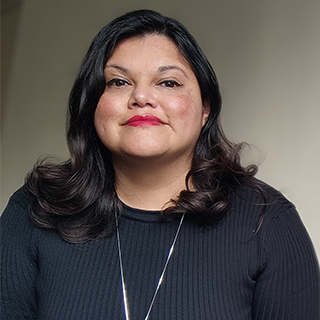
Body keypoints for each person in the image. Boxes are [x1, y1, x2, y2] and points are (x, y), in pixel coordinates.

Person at [1, 9, 319, 320]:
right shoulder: (33, 211)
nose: (141, 97)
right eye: (118, 82)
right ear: (93, 103)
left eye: (168, 82)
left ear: (205, 108)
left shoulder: (268, 220)